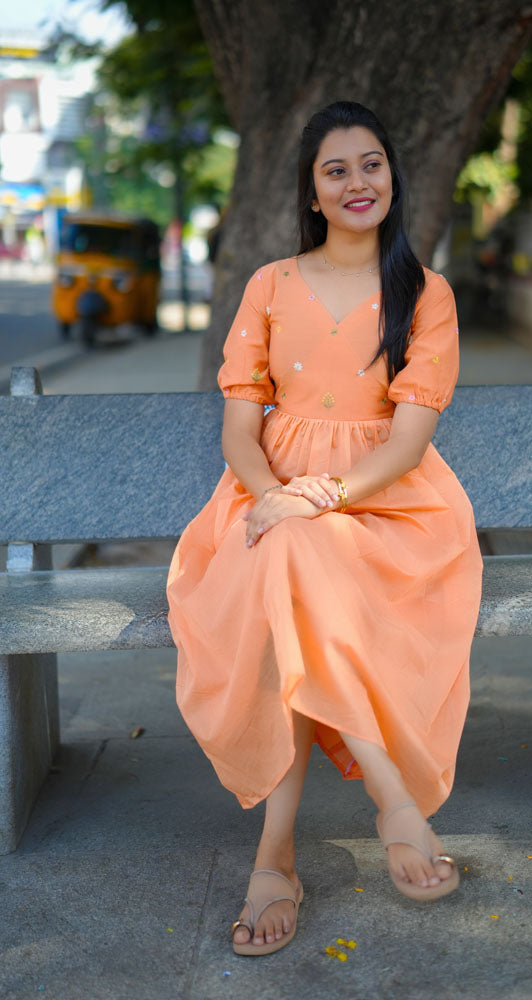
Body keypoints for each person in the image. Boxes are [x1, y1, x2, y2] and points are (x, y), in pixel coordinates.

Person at [166, 101, 483, 957]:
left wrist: (318, 497)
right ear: (311, 193)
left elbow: (408, 442)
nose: (356, 182)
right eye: (335, 170)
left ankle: (275, 857)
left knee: (294, 571)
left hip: (388, 506)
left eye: (370, 164)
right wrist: (276, 498)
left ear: (392, 177)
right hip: (266, 497)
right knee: (290, 565)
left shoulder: (425, 292)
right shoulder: (270, 285)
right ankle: (392, 801)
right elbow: (240, 432)